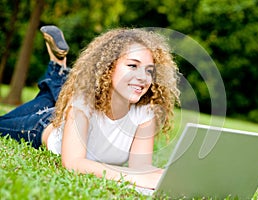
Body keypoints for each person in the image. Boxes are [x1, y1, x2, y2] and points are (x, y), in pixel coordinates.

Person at [0, 25, 180, 189]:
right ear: (108, 68)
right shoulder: (82, 104)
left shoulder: (145, 113)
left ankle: (58, 69)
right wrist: (136, 178)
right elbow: (73, 163)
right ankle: (58, 70)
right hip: (43, 125)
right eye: (133, 65)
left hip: (70, 108)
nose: (143, 77)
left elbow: (140, 168)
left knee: (65, 93)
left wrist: (163, 176)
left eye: (149, 70)